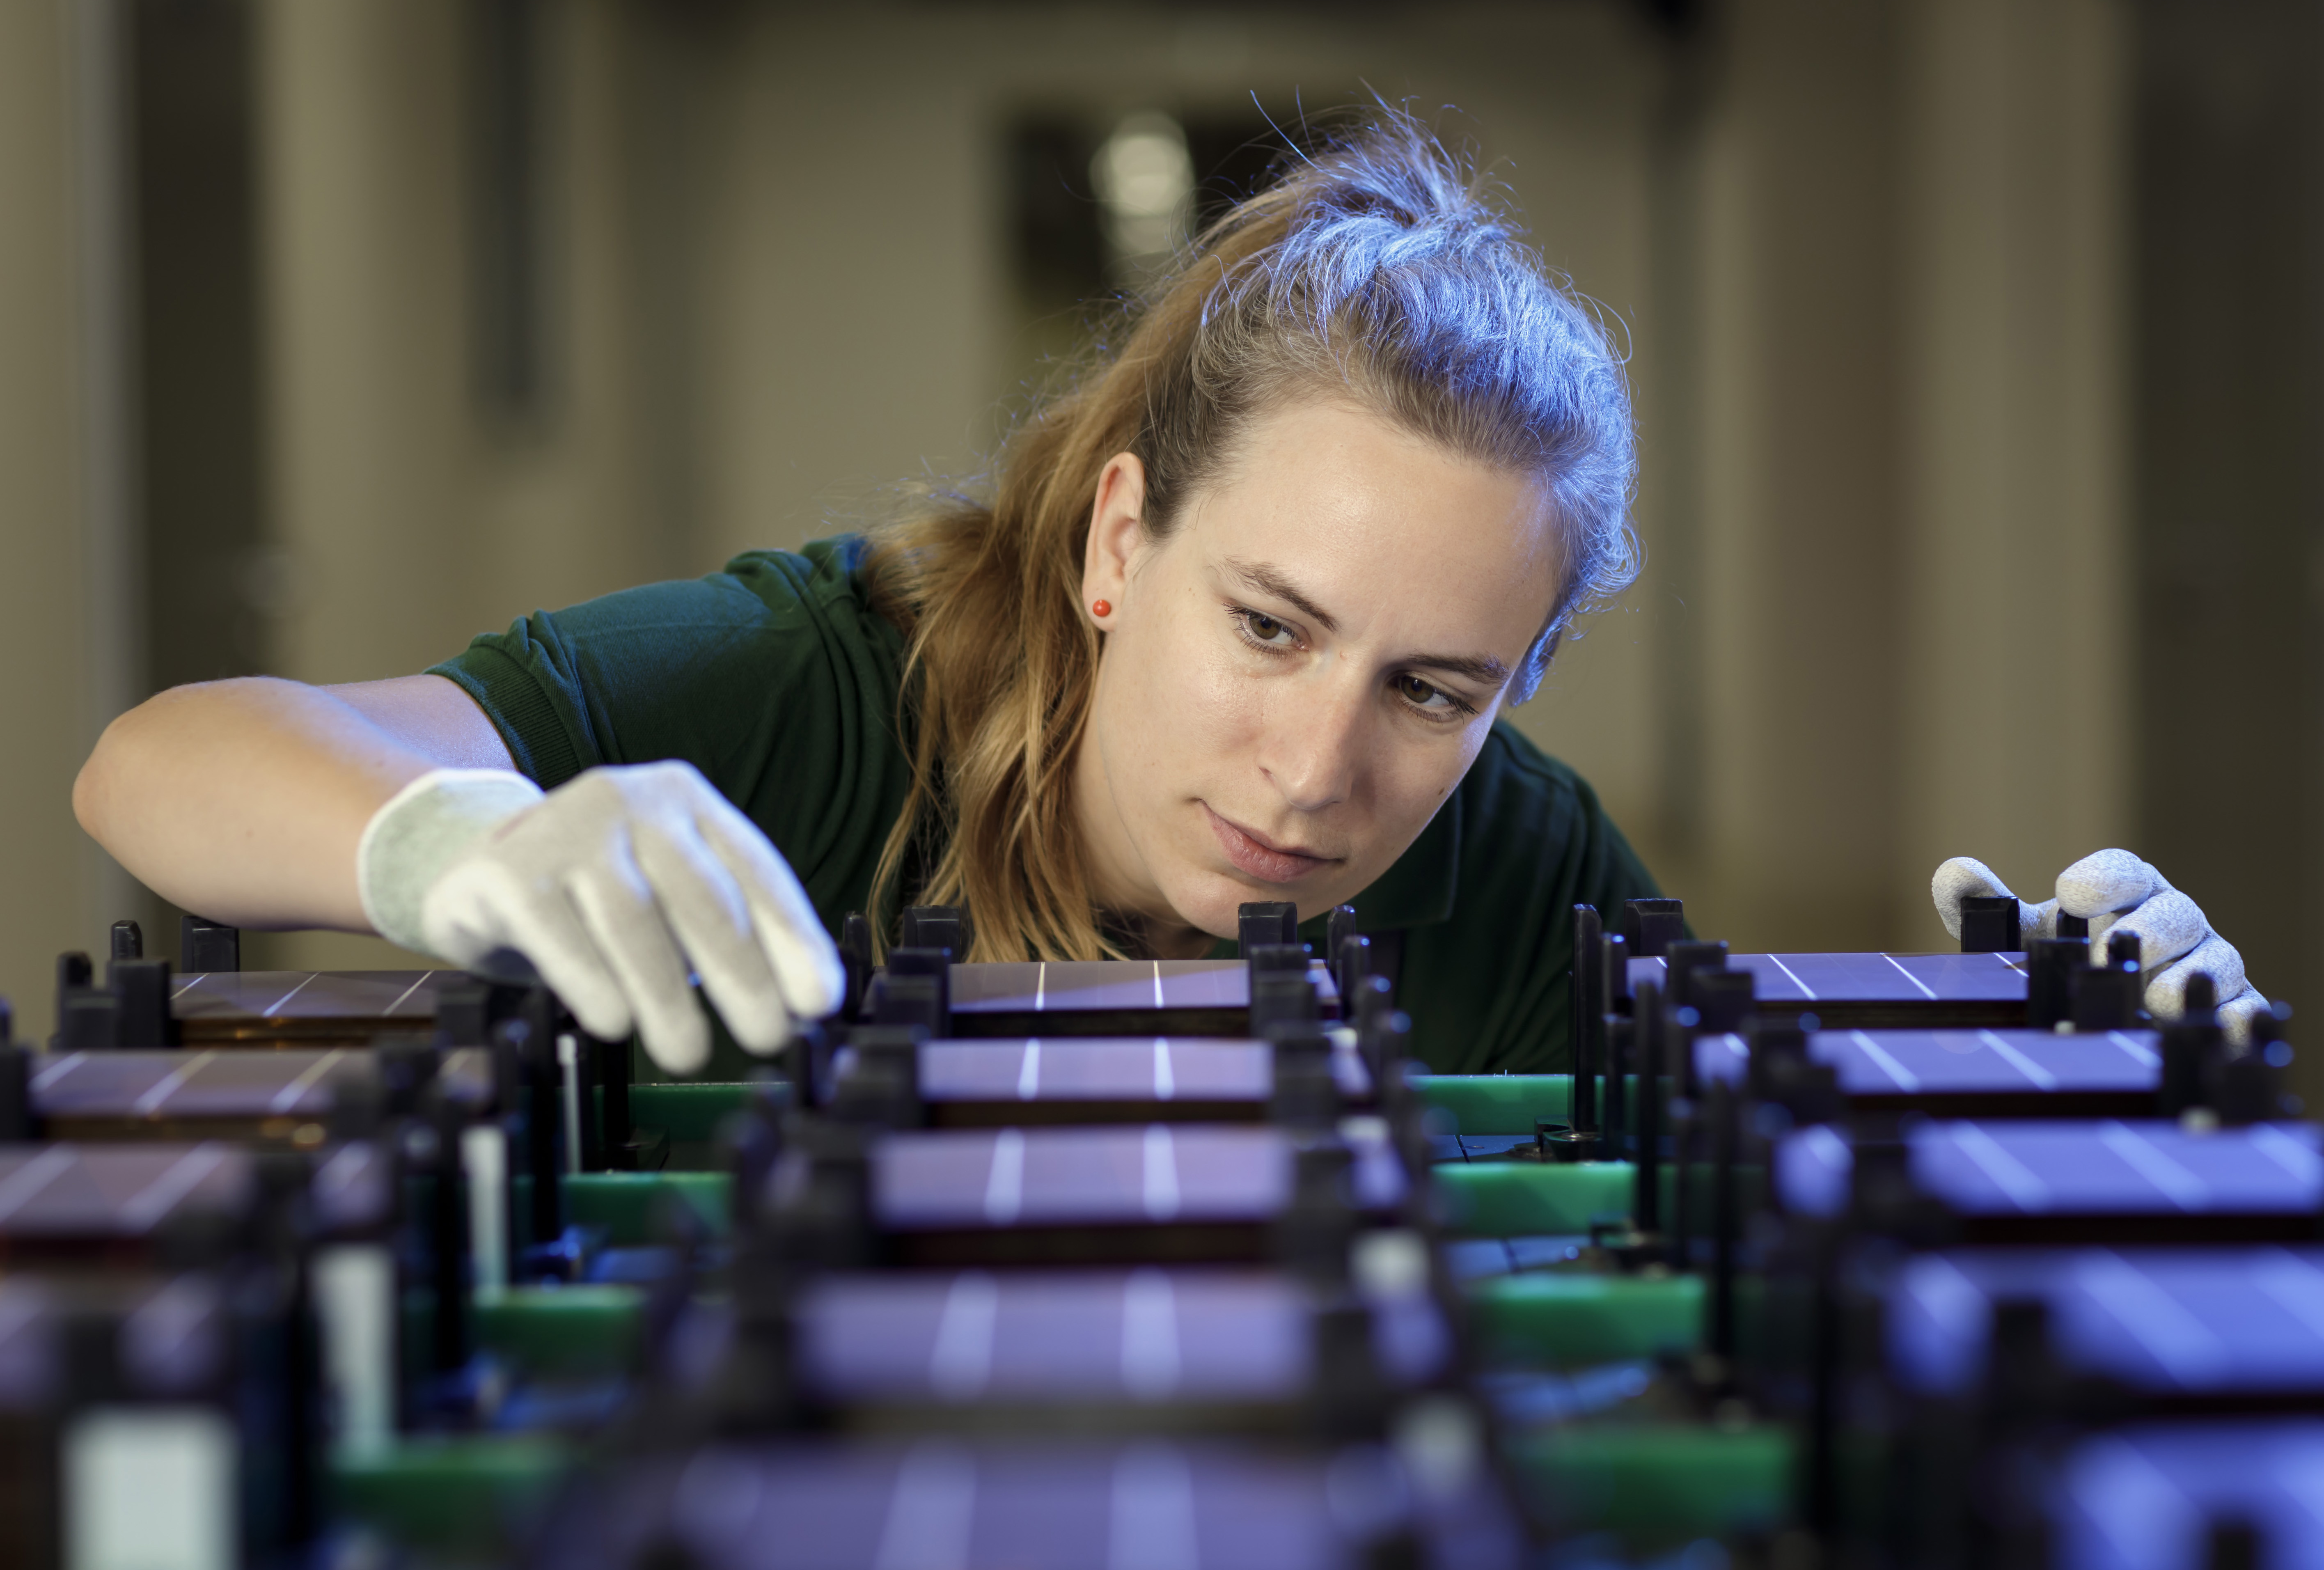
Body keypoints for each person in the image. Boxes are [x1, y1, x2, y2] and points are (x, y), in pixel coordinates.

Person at [71, 112, 2264, 1076]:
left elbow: (1741, 1233)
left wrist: (2086, 1079)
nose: (1321, 771)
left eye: (1435, 685)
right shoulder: (826, 686)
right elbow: (154, 765)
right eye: (1272, 623)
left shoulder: (1505, 870)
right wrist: (460, 830)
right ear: (1121, 543)